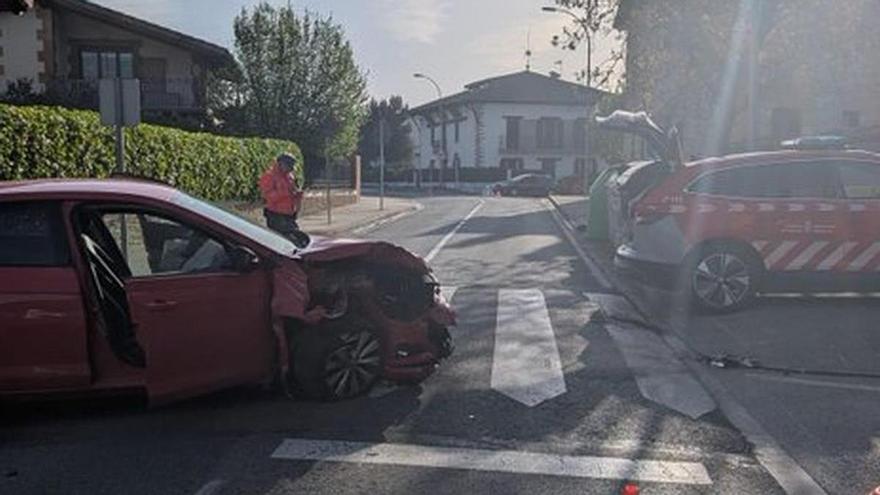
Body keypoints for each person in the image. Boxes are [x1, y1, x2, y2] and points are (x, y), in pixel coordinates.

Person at [259, 153, 304, 237]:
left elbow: (292, 191)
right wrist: (286, 193)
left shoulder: (290, 176)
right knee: (284, 238)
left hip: (289, 214)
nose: (290, 169)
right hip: (275, 215)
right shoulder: (269, 176)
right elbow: (267, 196)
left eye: (292, 166)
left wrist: (297, 194)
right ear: (281, 163)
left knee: (295, 236)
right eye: (289, 165)